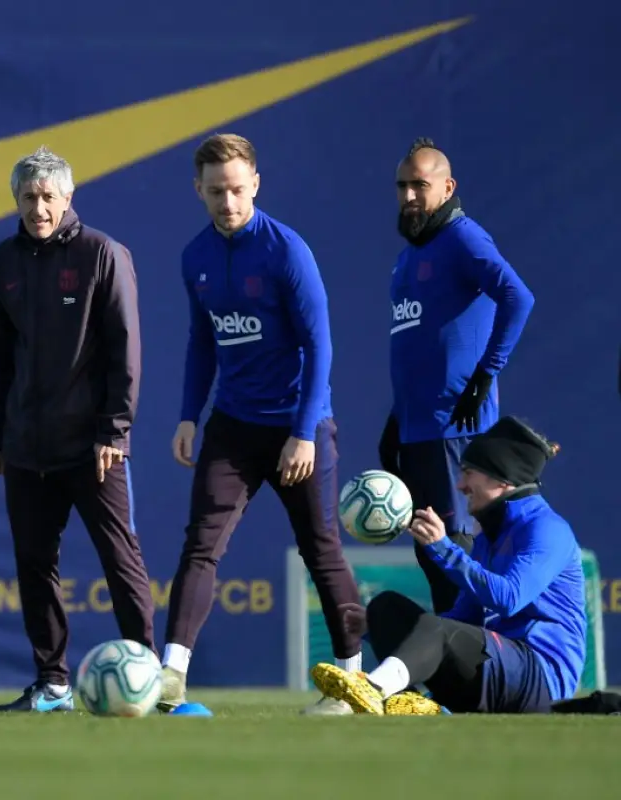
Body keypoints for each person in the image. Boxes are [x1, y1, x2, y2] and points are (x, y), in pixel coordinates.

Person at [162, 133, 362, 715]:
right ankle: (172, 675)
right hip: (233, 424)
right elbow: (203, 342)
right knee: (200, 545)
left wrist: (304, 431)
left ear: (255, 185)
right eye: (216, 191)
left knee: (320, 549)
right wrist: (186, 416)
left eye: (237, 189)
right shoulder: (194, 256)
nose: (228, 202)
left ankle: (352, 684)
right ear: (198, 191)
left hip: (299, 426)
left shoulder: (285, 251)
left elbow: (320, 346)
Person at [0, 146, 154, 714]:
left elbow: (125, 353)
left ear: (68, 197)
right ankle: (52, 683)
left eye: (49, 196)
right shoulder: (0, 263)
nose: (39, 207)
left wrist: (114, 431)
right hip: (27, 446)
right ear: (17, 199)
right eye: (29, 197)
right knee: (34, 564)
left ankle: (147, 674)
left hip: (93, 447)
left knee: (118, 558)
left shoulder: (103, 253)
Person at [312, 416, 585, 715]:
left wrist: (443, 549)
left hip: (541, 676)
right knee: (385, 608)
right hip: (498, 666)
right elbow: (463, 619)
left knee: (439, 630)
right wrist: (374, 628)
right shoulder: (488, 536)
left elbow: (509, 599)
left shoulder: (547, 529)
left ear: (502, 479)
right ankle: (414, 705)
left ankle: (370, 691)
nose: (461, 485)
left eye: (469, 473)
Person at [379, 137, 535, 615]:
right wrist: (396, 419)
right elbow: (420, 346)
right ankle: (456, 670)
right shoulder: (409, 256)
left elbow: (518, 297)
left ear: (447, 188)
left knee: (455, 553)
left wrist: (486, 375)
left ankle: (480, 672)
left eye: (419, 186)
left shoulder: (463, 238)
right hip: (418, 429)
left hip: (456, 431)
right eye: (402, 186)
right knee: (431, 554)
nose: (408, 196)